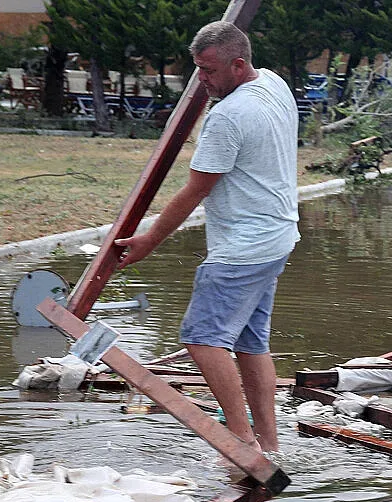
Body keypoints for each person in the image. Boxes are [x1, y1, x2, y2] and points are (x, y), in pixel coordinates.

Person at [114, 21, 299, 453]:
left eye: (210, 71)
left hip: (245, 247)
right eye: (197, 68)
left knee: (202, 338)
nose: (202, 80)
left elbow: (196, 190)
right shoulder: (274, 84)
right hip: (277, 236)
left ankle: (240, 442)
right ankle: (268, 444)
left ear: (239, 64)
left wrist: (149, 240)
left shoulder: (228, 116)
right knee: (251, 343)